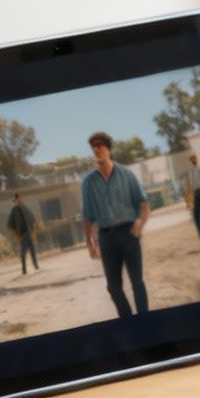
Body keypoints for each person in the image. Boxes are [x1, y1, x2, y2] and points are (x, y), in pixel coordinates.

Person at [80, 131, 150, 317]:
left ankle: (145, 323)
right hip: (107, 238)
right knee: (113, 287)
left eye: (100, 146)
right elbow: (87, 216)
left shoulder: (127, 175)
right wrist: (90, 244)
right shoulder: (88, 183)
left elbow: (143, 204)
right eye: (93, 147)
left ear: (108, 149)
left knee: (137, 282)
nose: (96, 150)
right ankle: (128, 321)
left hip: (129, 234)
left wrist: (139, 224)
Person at [6, 192, 40, 274]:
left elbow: (32, 220)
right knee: (23, 253)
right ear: (16, 200)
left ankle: (36, 266)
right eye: (18, 199)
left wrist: (34, 232)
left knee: (32, 251)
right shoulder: (14, 211)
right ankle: (24, 270)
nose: (20, 200)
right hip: (22, 235)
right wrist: (16, 235)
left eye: (21, 198)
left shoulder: (26, 209)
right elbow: (10, 224)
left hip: (29, 233)